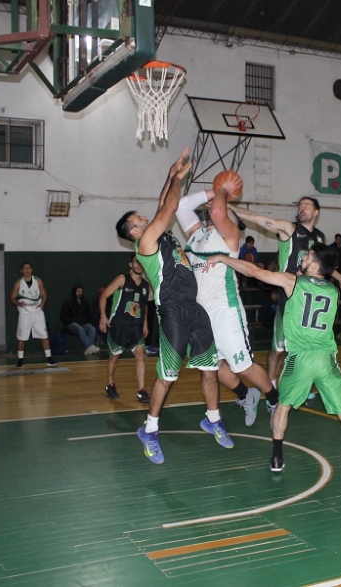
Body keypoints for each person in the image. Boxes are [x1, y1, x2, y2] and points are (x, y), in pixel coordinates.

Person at [205, 243, 341, 485]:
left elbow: (254, 272)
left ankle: (277, 457)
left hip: (300, 359)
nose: (303, 257)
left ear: (315, 265)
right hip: (327, 358)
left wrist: (222, 257)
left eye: (307, 256)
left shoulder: (292, 281)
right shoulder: (333, 290)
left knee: (283, 407)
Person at [115, 147, 231, 465]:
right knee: (168, 376)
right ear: (135, 232)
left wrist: (171, 174)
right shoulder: (146, 243)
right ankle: (149, 430)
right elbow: (170, 205)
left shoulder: (159, 235)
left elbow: (163, 203)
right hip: (172, 312)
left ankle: (213, 419)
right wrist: (178, 180)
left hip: (193, 308)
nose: (145, 217)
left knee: (209, 368)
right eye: (138, 219)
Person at [180, 172, 278, 427]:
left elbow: (218, 214)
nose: (215, 207)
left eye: (221, 207)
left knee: (243, 367)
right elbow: (182, 206)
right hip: (199, 313)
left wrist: (222, 191)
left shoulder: (229, 234)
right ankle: (247, 396)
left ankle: (274, 398)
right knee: (211, 367)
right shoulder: (196, 235)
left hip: (224, 309)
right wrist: (215, 191)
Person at [231, 197, 327, 389]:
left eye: (306, 205)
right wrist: (228, 206)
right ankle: (271, 385)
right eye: (300, 205)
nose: (301, 208)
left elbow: (323, 266)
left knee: (307, 348)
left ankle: (304, 383)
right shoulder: (289, 229)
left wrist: (337, 276)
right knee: (278, 350)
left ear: (316, 212)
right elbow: (257, 218)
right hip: (289, 295)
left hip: (309, 299)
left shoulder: (319, 238)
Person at [99, 256, 150, 403]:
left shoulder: (146, 285)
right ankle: (110, 384)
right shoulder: (122, 279)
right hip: (119, 324)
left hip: (135, 326)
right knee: (114, 357)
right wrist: (103, 316)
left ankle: (141, 390)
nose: (139, 265)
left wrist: (145, 323)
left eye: (141, 262)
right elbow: (104, 296)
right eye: (136, 262)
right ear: (130, 264)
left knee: (140, 354)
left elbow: (144, 306)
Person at [9, 261, 57, 369]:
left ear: (32, 270)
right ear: (21, 271)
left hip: (37, 311)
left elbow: (44, 295)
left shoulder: (38, 281)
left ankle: (49, 358)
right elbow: (12, 298)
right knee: (21, 337)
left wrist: (42, 305)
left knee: (44, 335)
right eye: (25, 268)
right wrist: (18, 303)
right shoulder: (18, 283)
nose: (27, 269)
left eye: (29, 267)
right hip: (24, 312)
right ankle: (20, 360)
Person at [60, 285, 99, 355]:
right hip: (70, 324)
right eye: (78, 291)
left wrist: (84, 320)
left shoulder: (85, 303)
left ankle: (89, 349)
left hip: (82, 323)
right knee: (79, 328)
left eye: (81, 291)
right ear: (74, 292)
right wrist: (75, 320)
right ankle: (91, 347)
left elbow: (88, 316)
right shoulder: (68, 302)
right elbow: (63, 317)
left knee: (92, 328)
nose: (80, 293)